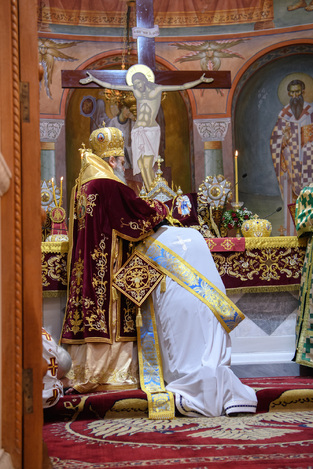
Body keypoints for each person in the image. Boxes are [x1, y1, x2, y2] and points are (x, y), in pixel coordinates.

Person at [60, 125, 168, 393]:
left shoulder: (82, 185)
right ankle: (111, 373)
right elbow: (133, 214)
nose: (123, 166)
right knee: (110, 312)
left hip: (86, 265)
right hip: (108, 265)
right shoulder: (109, 184)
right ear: (111, 160)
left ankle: (84, 368)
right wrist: (165, 208)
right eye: (121, 161)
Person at [80, 64, 214, 191]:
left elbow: (181, 86)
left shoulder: (157, 89)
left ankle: (154, 193)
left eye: (139, 83)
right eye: (135, 84)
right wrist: (94, 79)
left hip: (150, 130)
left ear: (144, 80)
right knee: (141, 165)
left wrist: (199, 80)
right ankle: (150, 193)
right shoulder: (136, 90)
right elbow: (112, 85)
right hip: (137, 131)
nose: (137, 86)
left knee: (148, 164)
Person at [270, 79, 313, 234]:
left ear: (303, 91)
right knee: (292, 199)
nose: (295, 95)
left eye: (298, 91)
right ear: (288, 93)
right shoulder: (284, 114)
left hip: (310, 163)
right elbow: (275, 141)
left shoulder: (311, 110)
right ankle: (292, 234)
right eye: (292, 92)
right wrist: (284, 139)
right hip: (291, 164)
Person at [109, 101, 136, 170]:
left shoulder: (131, 122)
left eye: (130, 110)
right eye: (127, 108)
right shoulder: (113, 122)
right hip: (117, 154)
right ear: (121, 108)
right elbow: (109, 139)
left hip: (131, 155)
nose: (128, 112)